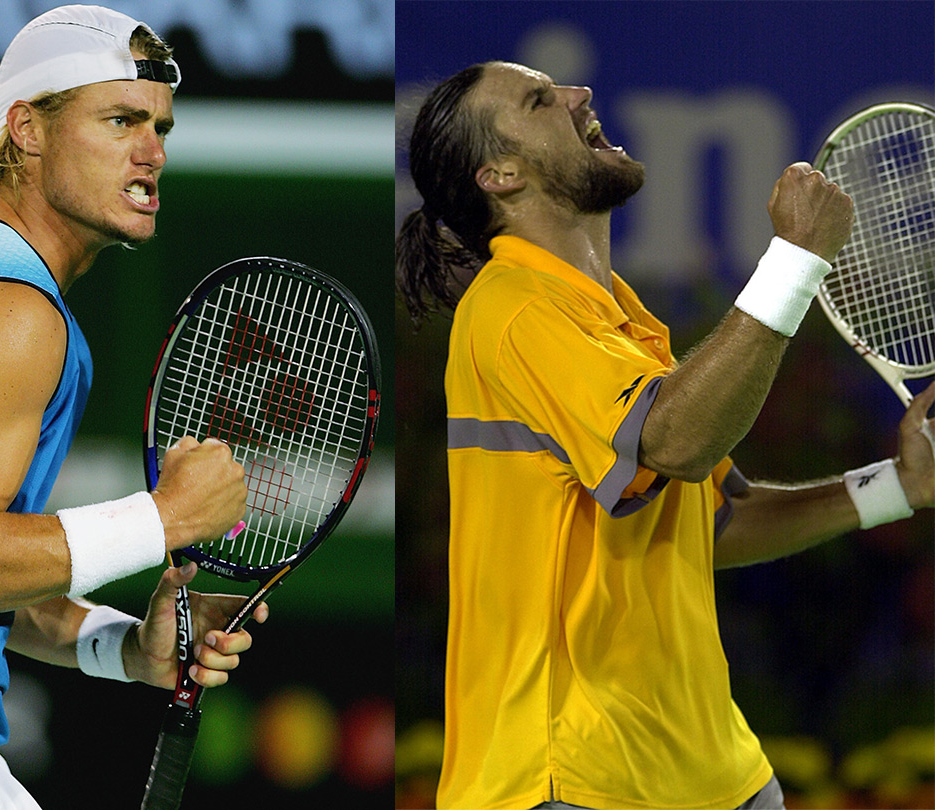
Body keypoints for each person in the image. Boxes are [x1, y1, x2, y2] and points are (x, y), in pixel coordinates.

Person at [396, 61, 934, 810]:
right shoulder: (515, 309)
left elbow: (717, 519)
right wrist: (795, 261)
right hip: (571, 779)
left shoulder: (615, 316)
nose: (579, 95)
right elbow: (675, 443)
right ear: (501, 173)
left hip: (720, 778)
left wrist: (897, 486)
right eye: (540, 100)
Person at [0, 6, 267, 808]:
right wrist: (165, 518)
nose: (152, 152)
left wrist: (127, 650)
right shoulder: (9, 313)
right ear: (26, 130)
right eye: (120, 121)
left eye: (160, 127)